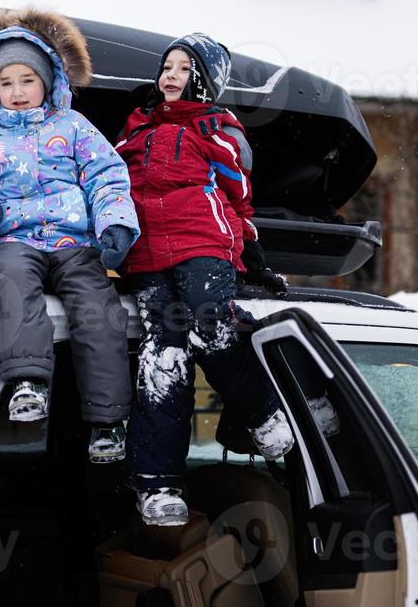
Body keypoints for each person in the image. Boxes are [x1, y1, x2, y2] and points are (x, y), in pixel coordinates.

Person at [115, 33, 295, 525]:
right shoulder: (134, 131)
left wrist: (250, 250)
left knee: (211, 326)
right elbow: (110, 185)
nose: (168, 75)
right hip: (146, 251)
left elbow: (237, 190)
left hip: (201, 240)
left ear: (202, 81)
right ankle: (156, 486)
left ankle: (261, 414)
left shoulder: (216, 126)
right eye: (165, 67)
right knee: (163, 352)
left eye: (181, 67)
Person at [0, 8, 139, 463]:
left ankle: (108, 421)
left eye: (26, 80)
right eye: (7, 83)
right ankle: (28, 382)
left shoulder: (74, 128)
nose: (17, 92)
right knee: (13, 287)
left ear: (48, 81)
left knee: (98, 308)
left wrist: (115, 222)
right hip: (13, 239)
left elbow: (106, 175)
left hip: (75, 242)